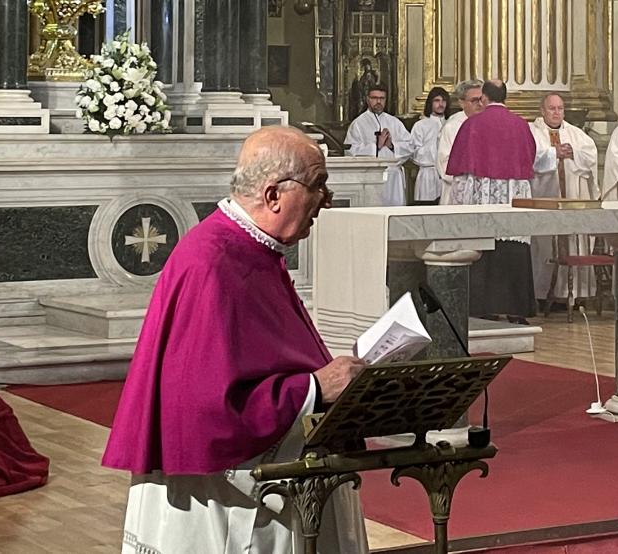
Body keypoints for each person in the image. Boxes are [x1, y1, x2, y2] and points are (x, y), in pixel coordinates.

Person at [102, 126, 366, 553]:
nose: (327, 199)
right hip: (221, 504)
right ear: (273, 194)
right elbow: (210, 406)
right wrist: (316, 387)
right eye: (318, 184)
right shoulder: (215, 262)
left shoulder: (250, 249)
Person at [445, 80, 538, 321]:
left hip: (481, 197)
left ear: (484, 98)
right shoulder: (520, 124)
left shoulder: (472, 124)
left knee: (482, 246)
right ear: (505, 98)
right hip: (514, 196)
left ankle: (482, 308)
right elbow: (532, 157)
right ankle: (516, 310)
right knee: (513, 249)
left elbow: (459, 168)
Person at [529, 92, 600, 307]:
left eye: (560, 108)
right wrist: (553, 153)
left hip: (572, 199)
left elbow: (590, 155)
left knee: (573, 241)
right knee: (543, 245)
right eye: (552, 108)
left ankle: (574, 294)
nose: (557, 112)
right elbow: (528, 157)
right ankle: (542, 294)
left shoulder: (576, 134)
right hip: (543, 200)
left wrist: (573, 153)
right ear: (542, 111)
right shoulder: (532, 132)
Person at [343, 85, 415, 206]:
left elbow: (411, 146)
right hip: (370, 177)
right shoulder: (358, 124)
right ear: (367, 99)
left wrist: (392, 146)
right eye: (375, 98)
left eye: (382, 98)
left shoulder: (395, 122)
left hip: (393, 177)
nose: (378, 102)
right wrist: (376, 146)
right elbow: (350, 151)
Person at [436, 79, 484, 205]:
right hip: (458, 194)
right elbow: (444, 166)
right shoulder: (452, 127)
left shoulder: (489, 123)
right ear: (461, 103)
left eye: (482, 99)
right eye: (474, 100)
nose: (479, 104)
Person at [410, 86, 450, 205]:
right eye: (437, 101)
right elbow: (413, 152)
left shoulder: (451, 123)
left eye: (443, 101)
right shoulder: (420, 125)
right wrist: (435, 147)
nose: (440, 104)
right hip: (428, 173)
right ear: (430, 103)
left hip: (447, 175)